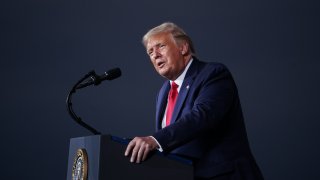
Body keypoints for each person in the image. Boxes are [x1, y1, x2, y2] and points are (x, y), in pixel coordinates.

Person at [124, 22, 264, 180]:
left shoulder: (213, 74)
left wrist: (155, 139)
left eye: (161, 46)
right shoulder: (163, 93)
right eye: (150, 52)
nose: (155, 55)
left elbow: (203, 116)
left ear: (183, 48)